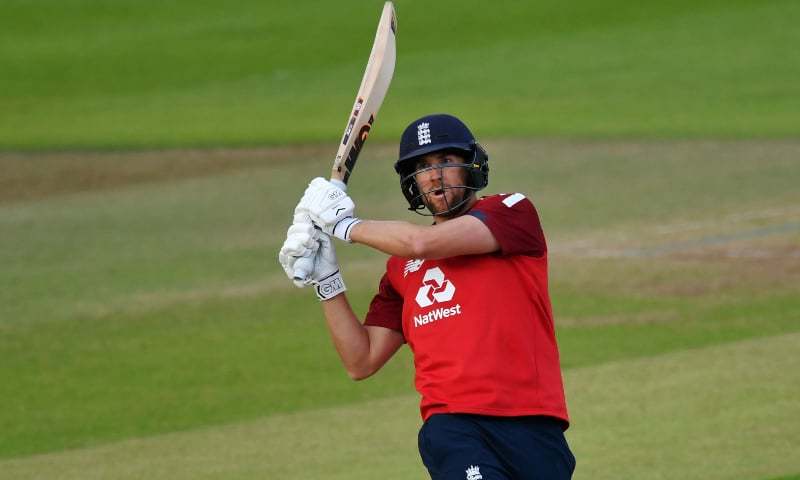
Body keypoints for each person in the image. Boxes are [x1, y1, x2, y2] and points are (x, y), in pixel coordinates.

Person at [279, 113, 575, 480]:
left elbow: (422, 242)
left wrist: (343, 225)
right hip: (454, 427)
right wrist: (327, 280)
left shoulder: (511, 212)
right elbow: (361, 360)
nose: (434, 175)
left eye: (446, 162)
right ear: (412, 182)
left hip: (535, 427)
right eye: (422, 167)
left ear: (471, 166)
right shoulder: (401, 270)